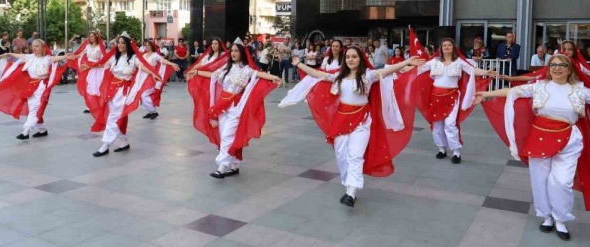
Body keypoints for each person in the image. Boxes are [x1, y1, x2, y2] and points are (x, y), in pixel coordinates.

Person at [476, 54, 590, 241]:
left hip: (569, 139)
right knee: (540, 179)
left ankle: (561, 219)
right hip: (541, 136)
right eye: (553, 65)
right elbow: (513, 92)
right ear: (549, 69)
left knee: (562, 181)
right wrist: (487, 94)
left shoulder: (580, 90)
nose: (557, 68)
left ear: (569, 69)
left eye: (562, 65)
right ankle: (547, 216)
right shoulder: (539, 86)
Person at [284, 47, 422, 207]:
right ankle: (348, 184)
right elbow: (317, 74)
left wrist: (407, 61)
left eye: (354, 57)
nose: (350, 59)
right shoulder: (338, 77)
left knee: (355, 156)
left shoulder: (368, 75)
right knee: (341, 153)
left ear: (360, 59)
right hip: (341, 119)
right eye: (348, 57)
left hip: (362, 119)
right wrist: (299, 64)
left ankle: (351, 193)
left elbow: (388, 70)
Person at [186, 42, 281, 178]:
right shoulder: (226, 67)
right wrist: (196, 71)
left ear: (242, 53)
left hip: (236, 107)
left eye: (236, 51)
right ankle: (235, 165)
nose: (233, 53)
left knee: (227, 136)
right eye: (232, 51)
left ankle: (222, 167)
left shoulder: (246, 69)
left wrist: (273, 77)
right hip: (223, 106)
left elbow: (258, 74)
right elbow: (213, 76)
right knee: (226, 135)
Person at [413, 38, 495, 163]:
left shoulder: (459, 62)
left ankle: (456, 152)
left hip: (451, 96)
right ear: (440, 48)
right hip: (435, 97)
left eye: (449, 45)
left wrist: (486, 72)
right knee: (437, 125)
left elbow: (472, 70)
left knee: (450, 124)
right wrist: (400, 68)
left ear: (453, 47)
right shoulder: (434, 61)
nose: (446, 47)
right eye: (444, 45)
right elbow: (418, 70)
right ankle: (442, 149)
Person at [84, 34, 162, 156]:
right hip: (112, 90)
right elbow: (102, 64)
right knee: (119, 116)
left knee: (113, 117)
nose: (120, 45)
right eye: (118, 42)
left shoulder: (133, 58)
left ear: (128, 45)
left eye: (122, 43)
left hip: (123, 90)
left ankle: (105, 144)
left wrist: (153, 73)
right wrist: (89, 66)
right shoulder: (115, 57)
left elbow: (143, 66)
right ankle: (124, 141)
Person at [0, 40, 71, 139]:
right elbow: (18, 55)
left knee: (35, 108)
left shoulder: (47, 59)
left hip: (42, 86)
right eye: (33, 46)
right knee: (32, 108)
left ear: (43, 48)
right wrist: (8, 53)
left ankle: (26, 131)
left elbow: (56, 58)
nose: (34, 48)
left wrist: (65, 56)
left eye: (37, 46)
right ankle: (42, 130)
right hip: (31, 85)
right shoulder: (30, 57)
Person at [139, 40, 179, 119]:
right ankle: (150, 111)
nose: (146, 47)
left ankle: (154, 111)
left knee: (144, 94)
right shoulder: (144, 55)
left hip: (151, 77)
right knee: (141, 94)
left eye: (148, 45)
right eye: (145, 45)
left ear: (152, 46)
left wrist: (171, 63)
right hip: (143, 76)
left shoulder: (154, 55)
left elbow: (162, 60)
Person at [71, 31, 106, 114]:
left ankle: (100, 105)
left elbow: (103, 61)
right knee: (87, 86)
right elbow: (81, 53)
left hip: (97, 69)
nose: (91, 38)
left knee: (96, 88)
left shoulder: (100, 47)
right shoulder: (88, 46)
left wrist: (93, 66)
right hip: (87, 68)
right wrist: (74, 56)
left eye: (92, 36)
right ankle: (89, 106)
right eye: (90, 37)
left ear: (96, 37)